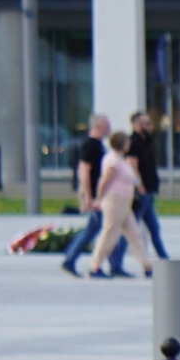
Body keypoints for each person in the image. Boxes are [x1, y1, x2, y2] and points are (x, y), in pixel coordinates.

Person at [59, 115, 121, 277]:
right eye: (107, 126)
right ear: (99, 127)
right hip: (95, 195)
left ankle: (72, 259)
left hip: (100, 195)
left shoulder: (98, 145)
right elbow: (84, 171)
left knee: (97, 228)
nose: (109, 129)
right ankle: (80, 262)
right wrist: (88, 196)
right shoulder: (90, 145)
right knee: (104, 228)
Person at [86, 133, 155, 280]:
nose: (129, 144)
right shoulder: (113, 161)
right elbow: (104, 181)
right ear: (121, 144)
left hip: (124, 202)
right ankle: (95, 266)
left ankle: (147, 266)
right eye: (127, 142)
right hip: (114, 201)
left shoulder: (121, 159)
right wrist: (98, 199)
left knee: (135, 234)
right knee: (110, 233)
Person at [127, 111, 169, 261]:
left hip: (149, 190)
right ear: (138, 125)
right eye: (147, 123)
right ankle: (115, 261)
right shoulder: (133, 142)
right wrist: (139, 185)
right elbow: (132, 165)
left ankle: (163, 256)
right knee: (131, 227)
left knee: (154, 226)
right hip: (141, 192)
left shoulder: (147, 141)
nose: (150, 126)